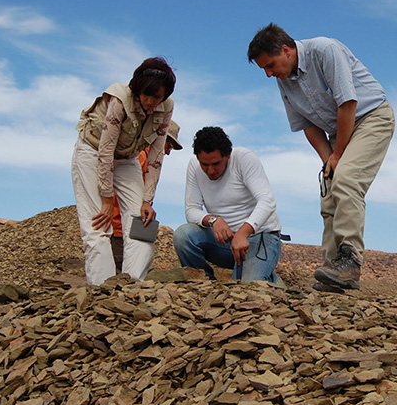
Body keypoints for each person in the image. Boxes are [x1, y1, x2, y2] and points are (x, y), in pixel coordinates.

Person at [247, 23, 394, 292]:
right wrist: (329, 159)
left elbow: (348, 102)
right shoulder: (284, 81)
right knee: (329, 190)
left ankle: (350, 262)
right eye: (264, 70)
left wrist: (339, 155)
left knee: (347, 180)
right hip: (339, 130)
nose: (269, 74)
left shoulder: (325, 50)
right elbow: (307, 125)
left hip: (371, 118)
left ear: (286, 50)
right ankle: (333, 272)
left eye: (270, 65)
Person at [72, 57, 176, 286]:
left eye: (156, 97)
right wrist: (107, 199)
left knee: (142, 221)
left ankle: (132, 287)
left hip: (127, 158)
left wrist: (147, 200)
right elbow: (105, 151)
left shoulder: (167, 107)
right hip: (93, 151)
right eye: (145, 94)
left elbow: (156, 155)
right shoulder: (120, 99)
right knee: (97, 223)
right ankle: (102, 290)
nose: (150, 101)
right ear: (137, 88)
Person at [173, 126, 284, 285]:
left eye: (216, 164)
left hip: (261, 237)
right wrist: (213, 220)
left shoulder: (243, 158)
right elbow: (191, 209)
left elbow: (267, 201)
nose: (210, 171)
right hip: (227, 243)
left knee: (248, 289)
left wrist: (243, 233)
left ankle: (267, 277)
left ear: (228, 155)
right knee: (183, 236)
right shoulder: (194, 167)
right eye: (204, 164)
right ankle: (204, 285)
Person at [110, 121, 184, 270]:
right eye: (168, 146)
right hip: (118, 230)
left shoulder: (145, 160)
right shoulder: (140, 159)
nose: (168, 152)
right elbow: (120, 197)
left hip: (121, 228)